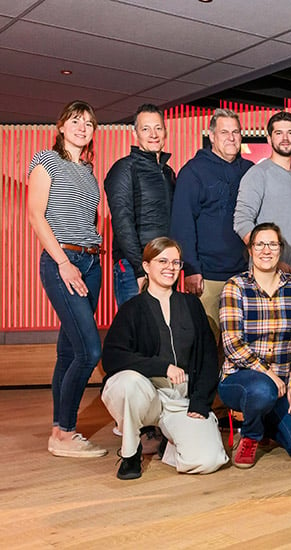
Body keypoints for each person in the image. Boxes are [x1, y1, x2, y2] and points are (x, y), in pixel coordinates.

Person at [101, 237, 229, 479]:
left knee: (208, 460)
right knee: (127, 383)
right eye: (162, 261)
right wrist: (162, 366)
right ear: (147, 266)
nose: (170, 267)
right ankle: (130, 453)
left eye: (176, 262)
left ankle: (169, 445)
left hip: (180, 398)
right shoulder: (132, 309)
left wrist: (201, 402)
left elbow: (208, 357)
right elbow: (112, 357)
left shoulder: (191, 305)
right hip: (146, 394)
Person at [27, 100, 107, 458]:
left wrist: (88, 259)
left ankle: (59, 429)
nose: (82, 127)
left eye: (89, 123)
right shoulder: (46, 161)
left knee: (68, 351)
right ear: (61, 125)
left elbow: (87, 221)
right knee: (89, 351)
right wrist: (63, 262)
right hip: (65, 261)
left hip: (91, 262)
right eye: (76, 121)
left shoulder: (88, 171)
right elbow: (36, 217)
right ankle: (66, 432)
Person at [218, 223, 291, 468]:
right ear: (251, 250)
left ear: (280, 249)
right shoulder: (236, 286)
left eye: (272, 244)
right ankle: (251, 435)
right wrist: (269, 374)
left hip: (284, 384)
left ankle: (268, 424)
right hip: (242, 381)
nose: (266, 250)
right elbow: (233, 344)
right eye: (260, 244)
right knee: (263, 390)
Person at [234, 110, 291, 393]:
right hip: (272, 279)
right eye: (279, 132)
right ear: (269, 137)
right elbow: (242, 221)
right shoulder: (257, 174)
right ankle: (269, 402)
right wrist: (272, 262)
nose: (285, 137)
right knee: (272, 345)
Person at [170, 108, 253, 340]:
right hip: (208, 278)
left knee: (242, 344)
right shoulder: (193, 172)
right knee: (207, 343)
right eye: (224, 132)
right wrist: (191, 269)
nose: (231, 137)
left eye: (235, 132)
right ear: (212, 136)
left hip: (245, 276)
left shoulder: (250, 171)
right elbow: (182, 223)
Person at [105, 103, 177, 306]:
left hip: (165, 265)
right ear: (136, 132)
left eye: (158, 128)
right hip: (134, 267)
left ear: (165, 131)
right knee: (136, 333)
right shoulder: (124, 168)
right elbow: (122, 222)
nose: (153, 134)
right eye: (146, 128)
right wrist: (140, 268)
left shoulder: (168, 172)